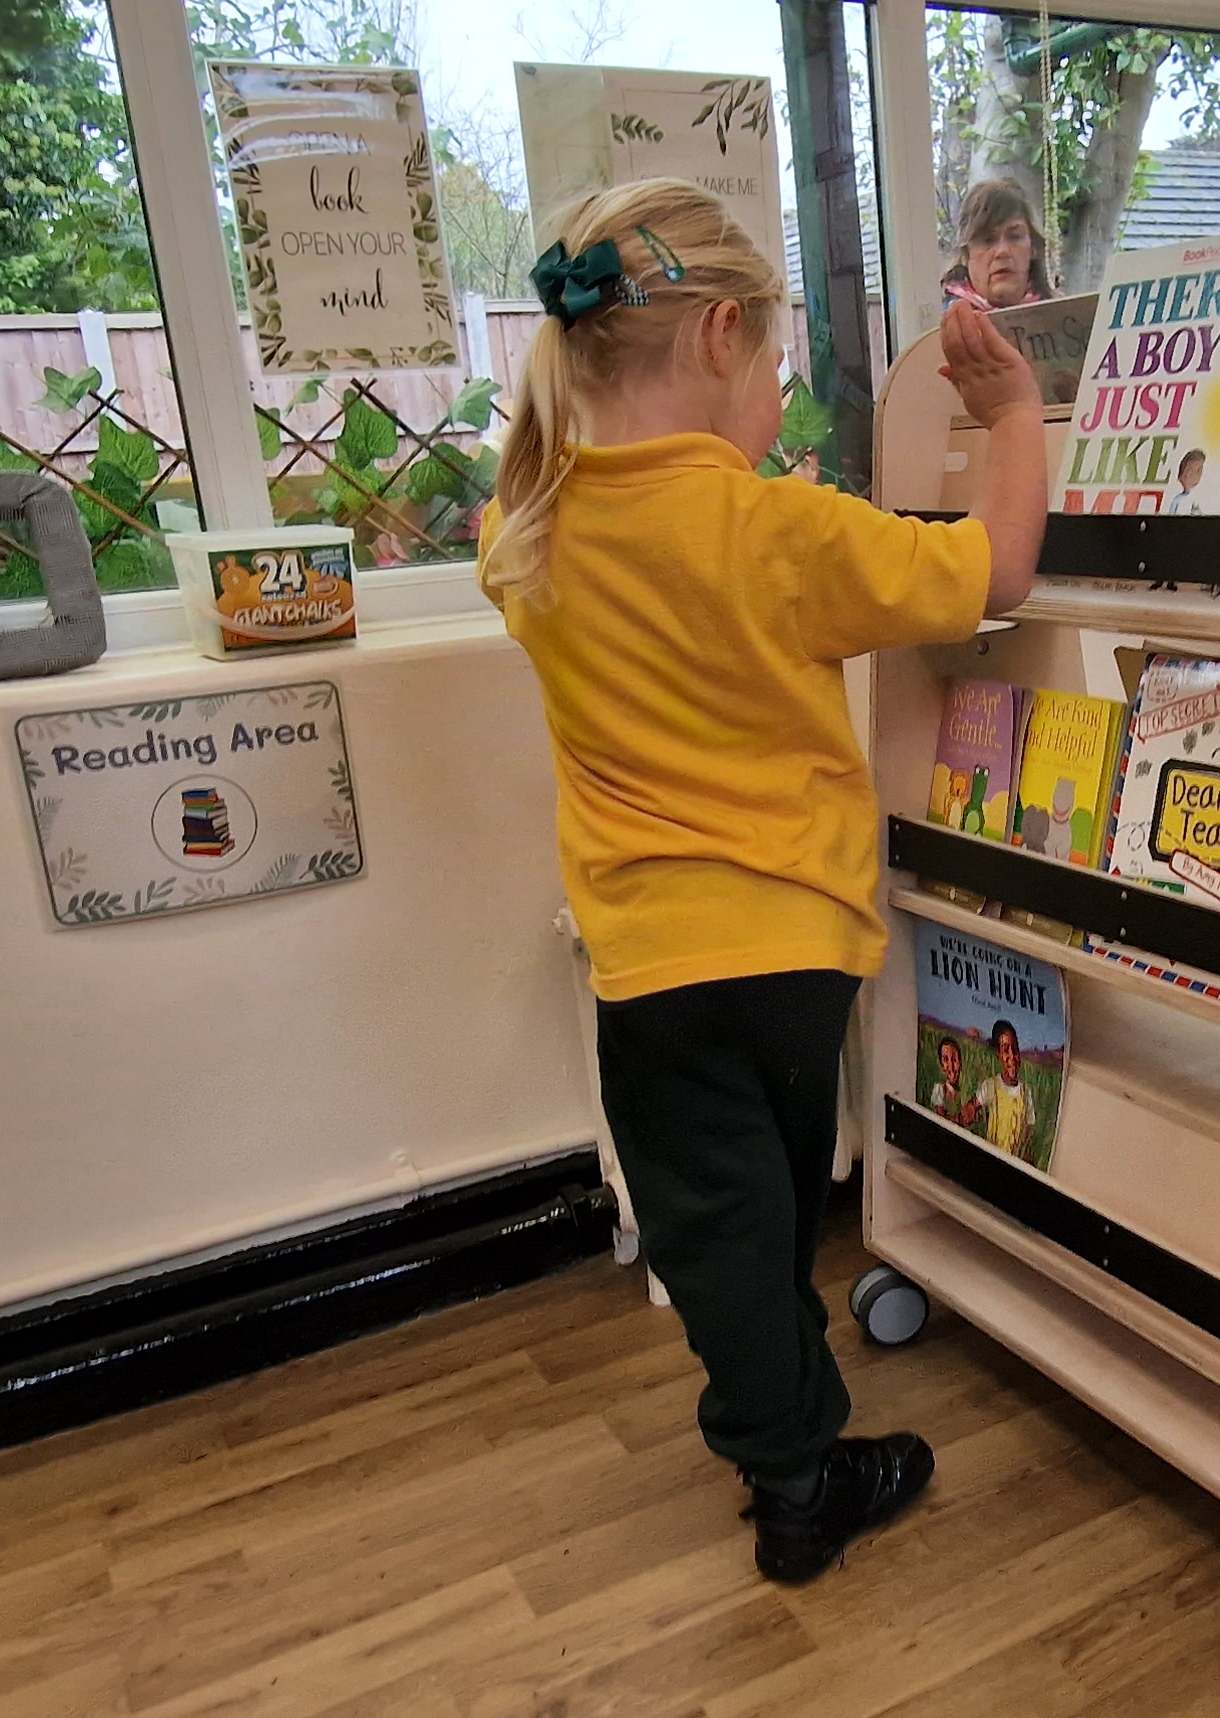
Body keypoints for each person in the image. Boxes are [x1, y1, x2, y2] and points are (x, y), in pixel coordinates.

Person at [482, 178, 1048, 1585]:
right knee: (783, 1218)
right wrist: (1017, 421)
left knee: (714, 1232)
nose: (778, 411)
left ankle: (783, 1442)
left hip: (644, 966)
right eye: (778, 373)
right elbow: (996, 574)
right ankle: (802, 1469)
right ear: (723, 333)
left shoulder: (533, 541)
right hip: (792, 954)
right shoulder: (777, 533)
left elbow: (531, 500)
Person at [940, 177, 1054, 311]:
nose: (1002, 251)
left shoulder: (1065, 319)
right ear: (966, 255)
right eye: (988, 240)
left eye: (1014, 237)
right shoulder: (940, 324)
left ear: (1033, 248)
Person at [979, 1020, 1033, 1161]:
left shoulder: (1026, 1093)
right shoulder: (991, 1086)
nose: (1012, 1057)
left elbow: (1027, 1141)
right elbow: (968, 1114)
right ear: (998, 1054)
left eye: (1015, 1049)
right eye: (1005, 1049)